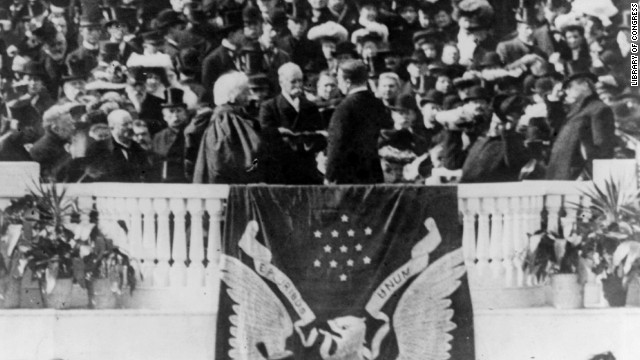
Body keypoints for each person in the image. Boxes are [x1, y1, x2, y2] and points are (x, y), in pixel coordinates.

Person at [258, 62, 324, 184]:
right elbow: (266, 136)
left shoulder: (310, 107)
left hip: (307, 171)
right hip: (281, 172)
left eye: (300, 81)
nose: (298, 85)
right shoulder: (269, 107)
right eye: (293, 81)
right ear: (281, 82)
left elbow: (319, 136)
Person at [193, 71, 264, 184]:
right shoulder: (227, 118)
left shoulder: (225, 116)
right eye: (245, 91)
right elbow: (249, 152)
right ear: (232, 96)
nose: (250, 95)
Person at [325, 59, 388, 184]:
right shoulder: (377, 104)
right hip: (373, 173)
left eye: (339, 79)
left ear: (347, 82)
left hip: (349, 177)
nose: (338, 84)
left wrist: (329, 175)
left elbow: (337, 143)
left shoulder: (344, 108)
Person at [546, 67, 615, 180]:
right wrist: (554, 100)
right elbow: (556, 129)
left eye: (569, 87)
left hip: (577, 179)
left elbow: (602, 149)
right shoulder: (574, 111)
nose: (566, 91)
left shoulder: (599, 109)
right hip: (561, 176)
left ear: (585, 85)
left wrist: (586, 175)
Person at [86, 109, 150, 182]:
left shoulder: (140, 148)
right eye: (125, 124)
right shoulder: (99, 149)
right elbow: (97, 177)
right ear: (112, 127)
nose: (130, 127)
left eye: (131, 123)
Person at [152, 88, 191, 183]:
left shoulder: (191, 134)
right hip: (165, 182)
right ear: (164, 116)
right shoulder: (158, 137)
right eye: (171, 111)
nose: (175, 115)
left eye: (179, 111)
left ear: (185, 114)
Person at [29, 104, 75, 179]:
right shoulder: (40, 150)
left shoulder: (65, 142)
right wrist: (70, 154)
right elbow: (48, 178)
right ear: (56, 129)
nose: (73, 128)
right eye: (69, 125)